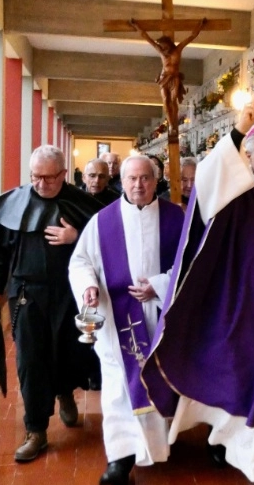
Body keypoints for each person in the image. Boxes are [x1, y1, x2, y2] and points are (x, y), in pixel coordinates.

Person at [143, 99, 254, 485]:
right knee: (238, 377)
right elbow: (209, 179)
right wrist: (241, 126)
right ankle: (230, 442)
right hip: (240, 307)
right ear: (248, 154)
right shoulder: (236, 190)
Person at [0, 145, 103, 463]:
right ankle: (35, 430)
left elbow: (106, 243)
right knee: (30, 361)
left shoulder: (82, 205)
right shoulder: (16, 204)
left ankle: (64, 392)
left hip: (69, 294)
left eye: (49, 178)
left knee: (68, 352)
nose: (42, 184)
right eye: (35, 177)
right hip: (27, 295)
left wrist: (77, 237)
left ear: (64, 174)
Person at [69, 156, 185, 485]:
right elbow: (80, 262)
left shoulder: (176, 219)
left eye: (145, 178)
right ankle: (120, 458)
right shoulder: (103, 222)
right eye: (132, 179)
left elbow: (194, 263)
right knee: (119, 389)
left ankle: (158, 446)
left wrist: (159, 286)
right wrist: (89, 286)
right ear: (122, 180)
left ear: (156, 180)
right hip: (118, 320)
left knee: (159, 380)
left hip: (163, 316)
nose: (138, 185)